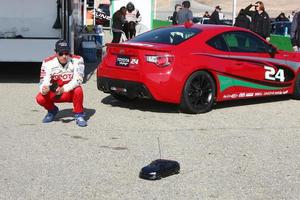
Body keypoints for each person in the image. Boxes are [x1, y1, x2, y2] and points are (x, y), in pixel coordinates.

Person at [36, 40, 87, 127]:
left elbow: (78, 79)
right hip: (55, 92)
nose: (64, 56)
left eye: (66, 53)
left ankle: (79, 114)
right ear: (56, 53)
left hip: (69, 92)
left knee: (78, 90)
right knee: (40, 98)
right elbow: (43, 80)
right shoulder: (47, 62)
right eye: (61, 54)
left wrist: (64, 89)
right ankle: (52, 110)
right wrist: (44, 88)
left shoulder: (78, 59)